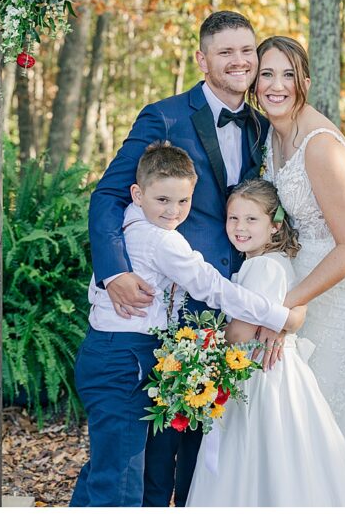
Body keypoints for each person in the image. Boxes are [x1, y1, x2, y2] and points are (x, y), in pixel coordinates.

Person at [87, 11, 286, 506]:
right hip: (171, 302)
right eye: (225, 52)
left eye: (247, 50)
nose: (239, 61)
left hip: (233, 302)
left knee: (210, 445)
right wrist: (115, 271)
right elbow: (108, 196)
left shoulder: (263, 125)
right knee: (155, 445)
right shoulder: (166, 116)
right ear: (203, 59)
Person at [71, 143, 303, 507]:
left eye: (183, 201)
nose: (173, 211)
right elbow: (212, 287)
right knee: (121, 484)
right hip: (124, 358)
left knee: (105, 471)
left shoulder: (127, 221)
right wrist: (280, 316)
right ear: (137, 192)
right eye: (163, 199)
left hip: (106, 352)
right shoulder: (161, 240)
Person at [186, 179, 345, 506]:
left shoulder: (261, 267)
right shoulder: (271, 262)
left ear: (275, 227)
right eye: (233, 218)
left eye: (251, 219)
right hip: (278, 372)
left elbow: (242, 334)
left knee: (255, 455)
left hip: (260, 375)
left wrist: (204, 349)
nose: (240, 227)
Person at [254, 35, 345, 471]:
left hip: (340, 289)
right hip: (300, 279)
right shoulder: (271, 135)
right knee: (287, 410)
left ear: (304, 81)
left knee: (317, 413)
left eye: (288, 74)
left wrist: (285, 306)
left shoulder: (320, 145)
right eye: (267, 74)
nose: (277, 85)